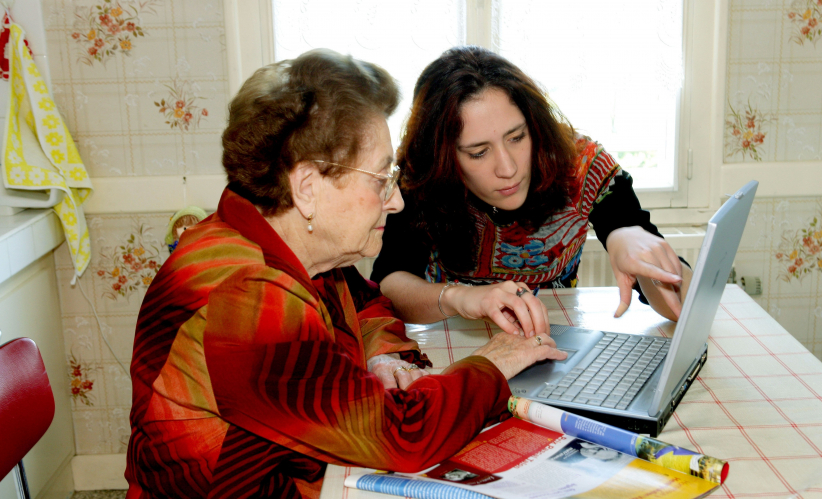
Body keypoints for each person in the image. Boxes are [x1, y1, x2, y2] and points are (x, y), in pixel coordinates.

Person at [125, 49, 566, 499]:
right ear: (307, 189)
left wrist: (383, 357)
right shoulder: (249, 297)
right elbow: (403, 435)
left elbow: (368, 302)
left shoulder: (281, 238)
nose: (395, 202)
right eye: (380, 179)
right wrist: (491, 363)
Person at [371, 47, 692, 337]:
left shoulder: (579, 164)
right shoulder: (419, 180)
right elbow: (390, 283)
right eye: (478, 152)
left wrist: (628, 235)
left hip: (557, 347)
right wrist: (459, 297)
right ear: (443, 156)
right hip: (451, 348)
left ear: (534, 124)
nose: (507, 167)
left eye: (517, 137)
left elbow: (680, 302)